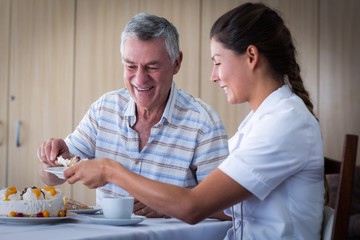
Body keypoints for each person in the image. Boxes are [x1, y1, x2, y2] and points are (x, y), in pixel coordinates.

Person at [63, 3, 324, 239]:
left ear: (251, 57)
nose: (213, 76)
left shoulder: (284, 123)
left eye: (218, 62)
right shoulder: (262, 120)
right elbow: (221, 204)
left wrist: (111, 170)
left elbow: (193, 206)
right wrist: (166, 203)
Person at [38, 13, 229, 219]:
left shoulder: (204, 123)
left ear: (176, 63)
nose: (140, 79)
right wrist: (54, 160)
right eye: (130, 66)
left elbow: (228, 208)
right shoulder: (104, 109)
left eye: (152, 67)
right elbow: (51, 178)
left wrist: (171, 205)